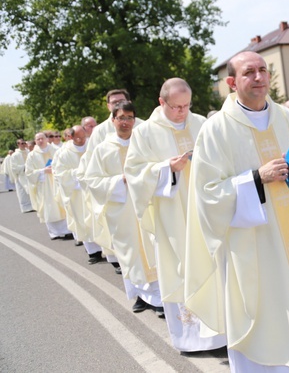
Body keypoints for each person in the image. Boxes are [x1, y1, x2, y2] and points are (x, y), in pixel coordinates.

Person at [184, 51, 289, 372]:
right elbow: (207, 195)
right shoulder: (216, 129)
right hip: (254, 246)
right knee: (265, 318)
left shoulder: (286, 118)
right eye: (249, 73)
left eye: (263, 70)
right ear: (232, 82)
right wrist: (257, 178)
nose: (259, 77)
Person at [125, 78, 226, 352]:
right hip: (172, 216)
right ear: (161, 102)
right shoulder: (145, 132)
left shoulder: (201, 124)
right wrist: (167, 168)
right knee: (180, 268)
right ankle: (191, 340)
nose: (182, 112)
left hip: (204, 210)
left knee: (212, 265)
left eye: (186, 105)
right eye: (176, 107)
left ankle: (220, 334)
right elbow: (134, 174)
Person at [86, 101, 163, 316]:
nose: (126, 122)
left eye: (130, 117)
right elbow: (92, 179)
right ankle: (141, 296)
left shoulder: (144, 142)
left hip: (146, 204)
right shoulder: (103, 148)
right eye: (121, 117)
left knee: (152, 247)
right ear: (113, 120)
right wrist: (119, 182)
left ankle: (159, 297)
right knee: (131, 252)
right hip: (121, 208)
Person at [26, 132, 73, 239]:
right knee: (48, 208)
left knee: (60, 204)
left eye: (42, 138)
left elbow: (63, 164)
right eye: (37, 139)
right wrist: (43, 171)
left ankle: (67, 230)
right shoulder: (32, 155)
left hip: (56, 182)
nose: (40, 141)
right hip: (43, 186)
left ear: (47, 139)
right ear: (35, 141)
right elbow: (29, 173)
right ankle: (54, 233)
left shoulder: (55, 151)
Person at [52, 126, 89, 244]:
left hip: (92, 189)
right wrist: (78, 173)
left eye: (84, 136)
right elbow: (60, 173)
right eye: (78, 137)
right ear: (71, 137)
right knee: (81, 219)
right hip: (76, 192)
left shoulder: (92, 147)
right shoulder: (64, 153)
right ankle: (93, 252)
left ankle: (104, 249)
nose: (82, 140)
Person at [9, 139, 33, 213]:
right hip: (20, 175)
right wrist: (24, 166)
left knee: (31, 190)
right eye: (21, 143)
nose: (23, 144)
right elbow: (13, 167)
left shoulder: (29, 152)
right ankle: (25, 207)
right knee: (22, 192)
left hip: (30, 174)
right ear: (18, 145)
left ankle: (33, 205)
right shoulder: (15, 155)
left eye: (24, 143)